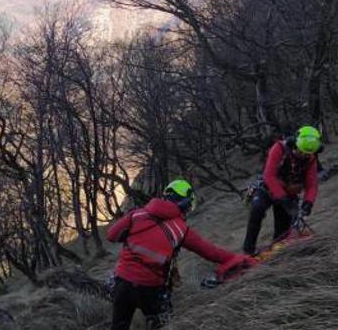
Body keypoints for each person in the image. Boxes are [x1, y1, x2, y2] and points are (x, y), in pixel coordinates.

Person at [107, 179, 251, 329]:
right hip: (151, 288)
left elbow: (111, 236)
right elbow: (211, 253)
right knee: (162, 323)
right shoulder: (181, 230)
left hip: (122, 282)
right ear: (184, 203)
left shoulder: (136, 215)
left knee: (118, 326)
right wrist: (238, 259)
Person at [241, 126, 322, 255]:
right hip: (268, 188)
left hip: (290, 194)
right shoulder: (279, 148)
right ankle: (248, 250)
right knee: (257, 208)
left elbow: (311, 185)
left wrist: (308, 202)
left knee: (282, 233)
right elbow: (269, 176)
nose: (303, 156)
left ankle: (276, 252)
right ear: (294, 143)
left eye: (307, 154)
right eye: (301, 152)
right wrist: (283, 199)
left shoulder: (310, 159)